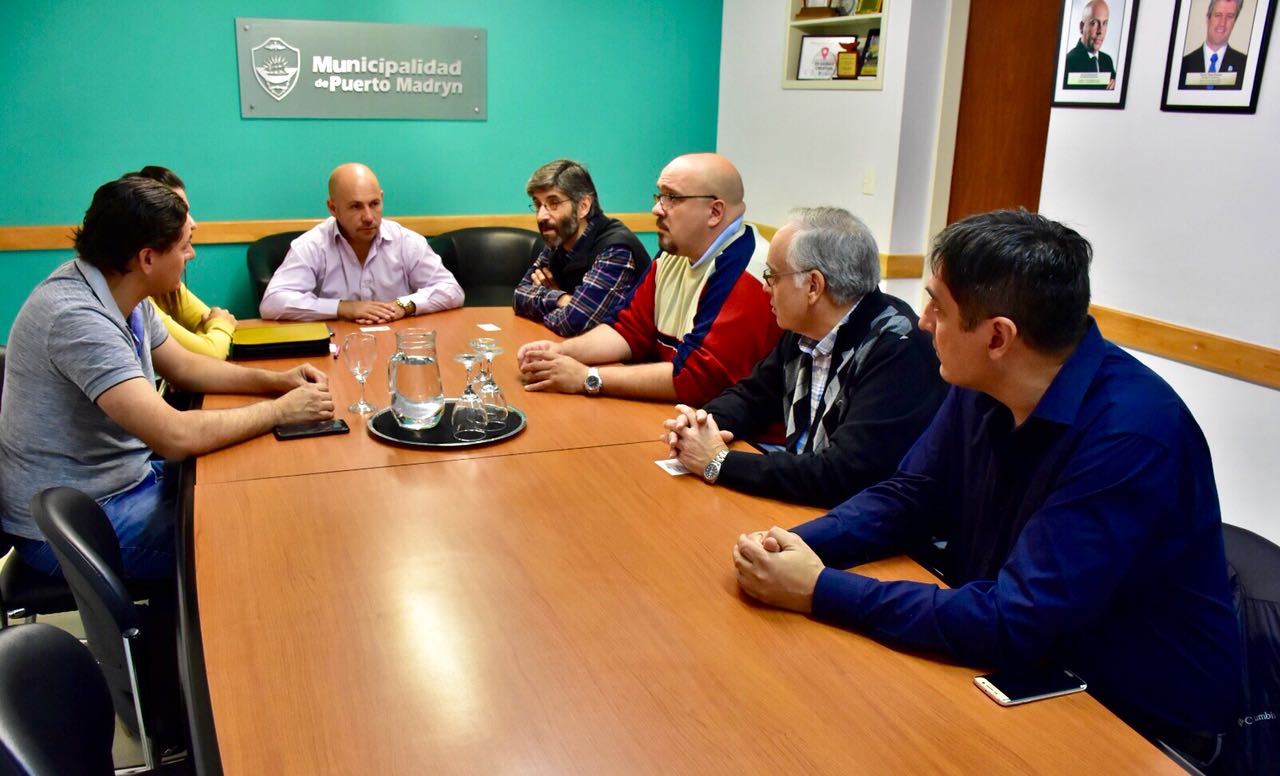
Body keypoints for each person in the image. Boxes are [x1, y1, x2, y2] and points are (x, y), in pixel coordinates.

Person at [732, 209, 1242, 768]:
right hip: (1023, 663)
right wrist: (794, 545)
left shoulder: (1133, 433)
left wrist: (819, 589)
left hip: (1127, 718)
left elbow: (1014, 619)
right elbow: (909, 496)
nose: (921, 321)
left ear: (998, 336)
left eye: (938, 306)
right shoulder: (984, 381)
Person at [0, 177, 335, 579]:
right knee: (250, 533)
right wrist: (280, 411)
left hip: (121, 482)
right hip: (72, 522)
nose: (191, 255)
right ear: (147, 258)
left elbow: (186, 367)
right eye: (184, 245)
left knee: (258, 492)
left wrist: (279, 381)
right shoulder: (77, 318)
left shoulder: (120, 288)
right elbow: (174, 437)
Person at [663, 207, 945, 508]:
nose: (764, 287)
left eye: (772, 276)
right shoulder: (805, 327)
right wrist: (701, 425)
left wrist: (719, 461)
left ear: (813, 286)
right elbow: (751, 396)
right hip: (803, 505)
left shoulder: (898, 349)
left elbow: (842, 474)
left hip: (862, 528)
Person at [517, 153, 780, 405]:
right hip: (685, 415)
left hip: (746, 440)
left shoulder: (749, 271)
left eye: (672, 198)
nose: (656, 209)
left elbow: (697, 379)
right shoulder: (673, 254)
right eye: (659, 196)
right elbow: (627, 330)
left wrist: (587, 378)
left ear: (714, 212)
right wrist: (558, 353)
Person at [259, 162, 463, 322]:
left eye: (374, 204)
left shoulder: (405, 241)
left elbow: (451, 290)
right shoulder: (312, 245)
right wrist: (343, 308)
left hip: (396, 343)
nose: (368, 217)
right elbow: (272, 302)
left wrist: (403, 305)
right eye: (355, 207)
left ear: (381, 198)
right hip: (338, 347)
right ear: (333, 208)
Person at [514, 159, 651, 336]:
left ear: (583, 206)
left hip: (627, 361)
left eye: (553, 203)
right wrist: (561, 298)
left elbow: (573, 322)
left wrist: (552, 302)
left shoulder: (615, 249)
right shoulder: (559, 239)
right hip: (577, 350)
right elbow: (519, 295)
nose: (541, 216)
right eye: (538, 204)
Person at [123, 165, 238, 359]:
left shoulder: (165, 283)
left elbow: (211, 327)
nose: (192, 223)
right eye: (180, 212)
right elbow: (209, 352)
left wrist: (211, 333)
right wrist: (217, 330)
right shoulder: (133, 293)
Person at [1180, 0, 1247, 90]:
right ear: (1208, 18)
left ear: (1235, 21)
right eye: (1218, 15)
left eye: (1230, 16)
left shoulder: (1245, 66)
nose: (1222, 23)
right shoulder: (1184, 64)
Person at [1063, 0, 1116, 90]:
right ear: (1081, 27)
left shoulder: (1107, 61)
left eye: (1105, 23)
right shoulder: (1068, 63)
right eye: (1094, 23)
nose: (1100, 31)